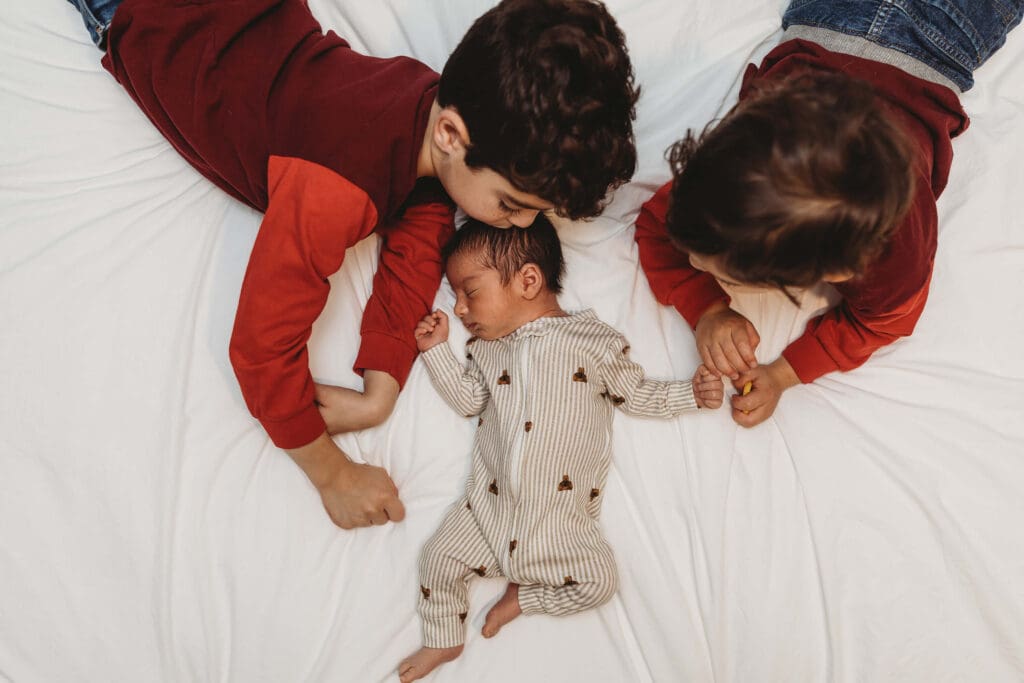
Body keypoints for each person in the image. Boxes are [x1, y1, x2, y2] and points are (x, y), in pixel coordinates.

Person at [64, 0, 640, 528]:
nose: (514, 225)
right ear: (450, 134)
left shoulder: (427, 102)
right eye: (511, 205)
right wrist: (332, 473)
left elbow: (420, 234)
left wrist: (381, 388)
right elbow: (260, 349)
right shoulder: (334, 186)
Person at [635, 0, 1024, 427]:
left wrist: (786, 373)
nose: (689, 261)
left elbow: (879, 324)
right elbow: (656, 224)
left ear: (840, 271)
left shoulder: (895, 255)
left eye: (727, 276)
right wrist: (707, 308)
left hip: (947, 33)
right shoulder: (730, 180)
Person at [397, 217, 723, 682]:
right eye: (455, 297)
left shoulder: (593, 343)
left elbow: (635, 393)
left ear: (528, 280)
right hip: (487, 509)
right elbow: (469, 399)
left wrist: (690, 394)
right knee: (438, 559)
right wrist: (436, 350)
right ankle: (443, 638)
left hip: (558, 518)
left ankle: (524, 597)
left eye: (470, 291)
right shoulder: (486, 350)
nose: (461, 308)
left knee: (599, 583)